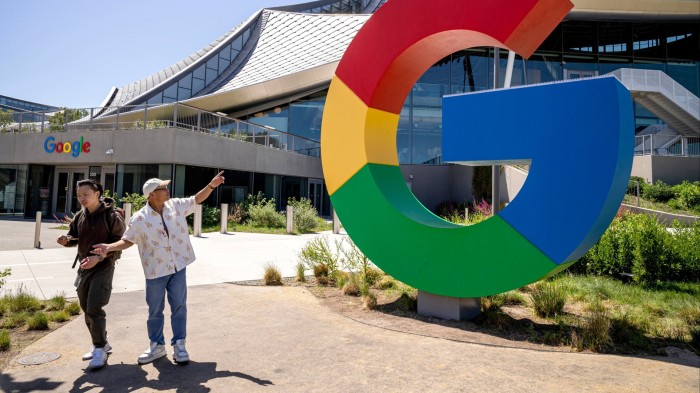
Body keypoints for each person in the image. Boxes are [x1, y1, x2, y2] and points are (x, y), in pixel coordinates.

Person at [93, 171, 225, 365]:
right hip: (156, 271)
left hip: (178, 266)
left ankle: (179, 345)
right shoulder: (139, 218)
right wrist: (109, 248)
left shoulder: (175, 206)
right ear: (151, 195)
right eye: (162, 188)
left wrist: (212, 185)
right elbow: (128, 240)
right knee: (155, 310)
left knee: (179, 307)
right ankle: (157, 346)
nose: (167, 190)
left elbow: (196, 199)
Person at [57, 179, 125, 371]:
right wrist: (66, 240)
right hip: (84, 267)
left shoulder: (112, 216)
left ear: (98, 194)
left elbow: (121, 242)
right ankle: (101, 341)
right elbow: (74, 238)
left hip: (103, 267)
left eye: (86, 194)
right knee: (86, 307)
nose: (82, 199)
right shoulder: (80, 215)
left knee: (94, 307)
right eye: (79, 195)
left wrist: (100, 257)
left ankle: (99, 348)